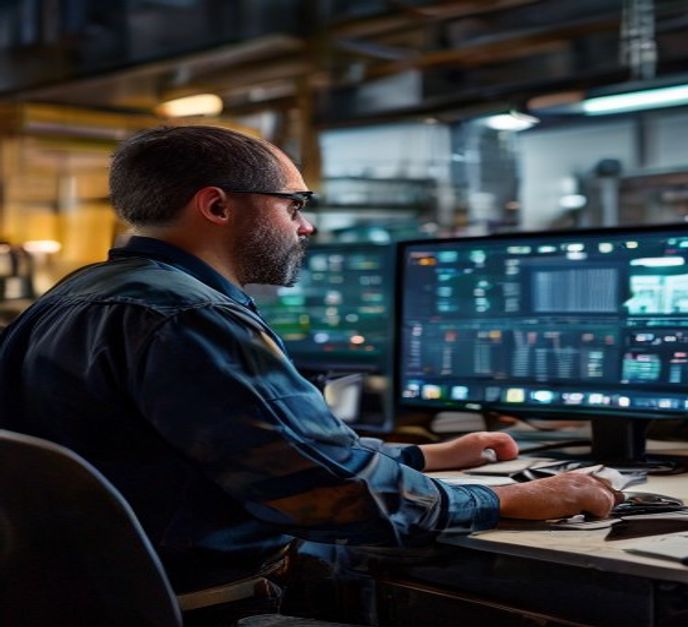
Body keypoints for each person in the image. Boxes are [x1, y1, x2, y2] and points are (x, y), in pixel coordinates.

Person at [0, 125, 617, 598]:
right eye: (293, 205)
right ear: (217, 207)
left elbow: (246, 454)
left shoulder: (75, 294)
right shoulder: (191, 317)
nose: (307, 226)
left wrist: (421, 456)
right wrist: (509, 501)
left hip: (88, 595)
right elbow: (332, 496)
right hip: (208, 601)